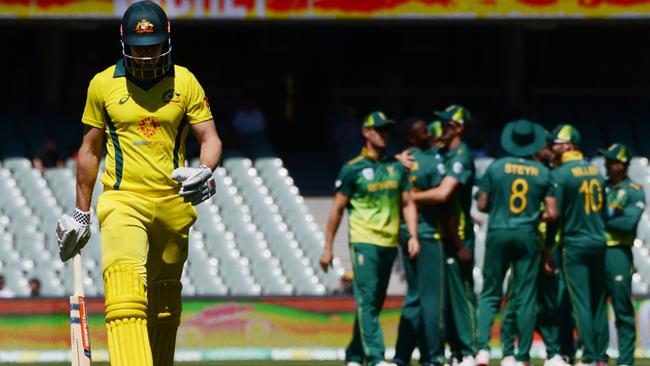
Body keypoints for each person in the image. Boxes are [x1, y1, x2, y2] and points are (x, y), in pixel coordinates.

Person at [54, 2, 222, 365]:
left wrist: (204, 170)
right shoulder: (102, 84)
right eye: (139, 48)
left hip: (175, 204)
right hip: (123, 201)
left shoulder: (186, 81)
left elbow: (210, 139)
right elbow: (89, 149)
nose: (146, 57)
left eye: (153, 47)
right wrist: (81, 213)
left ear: (167, 42)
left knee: (163, 310)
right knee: (125, 295)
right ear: (124, 43)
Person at [319, 111, 420, 366]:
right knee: (367, 300)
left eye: (387, 130)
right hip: (364, 242)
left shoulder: (396, 167)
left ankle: (354, 355)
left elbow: (408, 203)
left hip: (389, 243)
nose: (384, 134)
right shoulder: (353, 169)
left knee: (372, 303)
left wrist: (413, 235)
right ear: (366, 132)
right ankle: (375, 358)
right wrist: (328, 248)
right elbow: (337, 209)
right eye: (379, 130)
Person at [474, 120, 557, 366]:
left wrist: (500, 206)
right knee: (525, 296)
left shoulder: (496, 167)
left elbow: (481, 205)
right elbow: (552, 213)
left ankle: (482, 351)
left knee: (490, 293)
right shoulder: (543, 173)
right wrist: (531, 213)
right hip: (527, 236)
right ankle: (521, 357)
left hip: (499, 231)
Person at [410, 105, 477, 366]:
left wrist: (410, 198)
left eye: (447, 125)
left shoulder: (462, 156)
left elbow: (443, 195)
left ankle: (469, 350)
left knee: (462, 295)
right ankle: (457, 352)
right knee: (446, 298)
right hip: (443, 236)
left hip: (458, 236)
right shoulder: (443, 154)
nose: (441, 129)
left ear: (459, 128)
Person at [547, 124, 608, 365]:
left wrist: (548, 248)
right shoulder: (595, 172)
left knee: (580, 302)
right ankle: (601, 356)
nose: (552, 147)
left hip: (575, 244)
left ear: (569, 145)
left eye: (556, 143)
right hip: (598, 242)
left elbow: (555, 215)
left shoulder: (560, 174)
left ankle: (590, 356)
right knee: (598, 302)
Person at [392, 117, 449, 366]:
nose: (429, 134)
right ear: (411, 138)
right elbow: (442, 198)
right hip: (428, 234)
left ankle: (401, 356)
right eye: (423, 132)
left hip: (404, 233)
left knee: (413, 297)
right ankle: (433, 357)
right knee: (432, 301)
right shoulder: (429, 163)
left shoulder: (399, 164)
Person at [599, 143, 645, 366]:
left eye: (610, 161)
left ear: (621, 164)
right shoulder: (600, 187)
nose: (606, 165)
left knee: (622, 309)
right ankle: (598, 358)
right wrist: (612, 213)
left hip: (618, 253)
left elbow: (628, 223)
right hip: (596, 252)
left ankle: (625, 361)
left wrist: (602, 215)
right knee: (595, 308)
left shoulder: (634, 190)